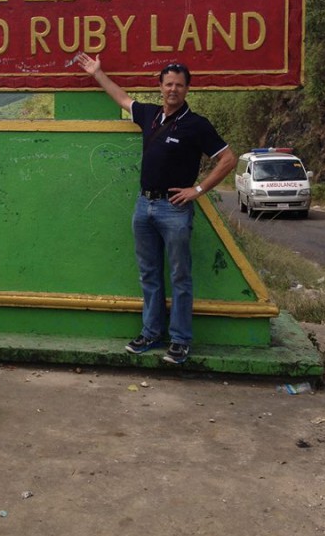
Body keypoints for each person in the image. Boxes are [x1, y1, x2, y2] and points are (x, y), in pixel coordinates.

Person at [76, 54, 237, 364]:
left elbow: (228, 158)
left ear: (187, 89)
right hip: (143, 205)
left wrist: (199, 189)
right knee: (149, 274)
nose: (172, 90)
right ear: (160, 87)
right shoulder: (149, 115)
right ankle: (150, 332)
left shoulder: (196, 124)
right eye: (168, 84)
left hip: (174, 210)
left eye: (179, 85)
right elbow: (122, 98)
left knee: (180, 276)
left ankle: (179, 340)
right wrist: (98, 73)